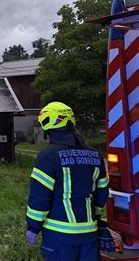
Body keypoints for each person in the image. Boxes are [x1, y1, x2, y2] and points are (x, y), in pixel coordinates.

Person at [25, 102, 112, 260]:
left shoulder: (48, 156)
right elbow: (102, 192)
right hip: (89, 235)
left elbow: (40, 197)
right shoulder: (95, 154)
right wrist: (96, 216)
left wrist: (33, 227)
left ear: (48, 124)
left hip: (59, 237)